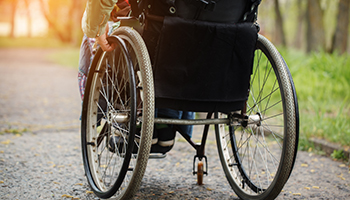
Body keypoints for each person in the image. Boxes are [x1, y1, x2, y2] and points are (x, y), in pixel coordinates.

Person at [79, 0, 195, 153]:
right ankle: (167, 118)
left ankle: (124, 113)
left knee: (93, 37)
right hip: (201, 38)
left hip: (150, 29)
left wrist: (98, 26)